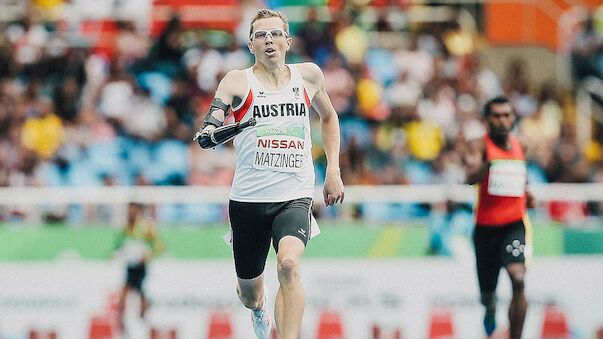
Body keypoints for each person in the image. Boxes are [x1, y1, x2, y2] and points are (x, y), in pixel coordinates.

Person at [192, 9, 344, 339]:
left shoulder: (309, 76)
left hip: (293, 195)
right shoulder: (236, 80)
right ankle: (259, 310)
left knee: (289, 264)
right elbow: (211, 123)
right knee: (250, 293)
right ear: (250, 44)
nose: (269, 40)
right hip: (248, 200)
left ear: (288, 41)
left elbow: (329, 118)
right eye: (261, 35)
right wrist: (211, 131)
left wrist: (333, 170)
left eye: (275, 34)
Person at [463, 96, 535, 339]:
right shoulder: (479, 146)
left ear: (514, 118)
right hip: (485, 229)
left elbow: (520, 178)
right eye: (497, 115)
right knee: (488, 295)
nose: (503, 120)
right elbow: (470, 175)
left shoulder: (521, 145)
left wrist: (528, 194)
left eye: (507, 115)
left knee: (518, 279)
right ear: (487, 120)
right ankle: (490, 310)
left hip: (514, 224)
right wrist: (488, 166)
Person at [113, 202, 164, 328]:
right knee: (125, 293)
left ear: (139, 211)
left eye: (133, 209)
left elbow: (160, 246)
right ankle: (123, 322)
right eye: (129, 209)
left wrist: (148, 254)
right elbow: (119, 245)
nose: (130, 212)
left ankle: (144, 319)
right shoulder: (124, 227)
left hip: (141, 266)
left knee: (139, 292)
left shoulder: (145, 227)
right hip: (130, 265)